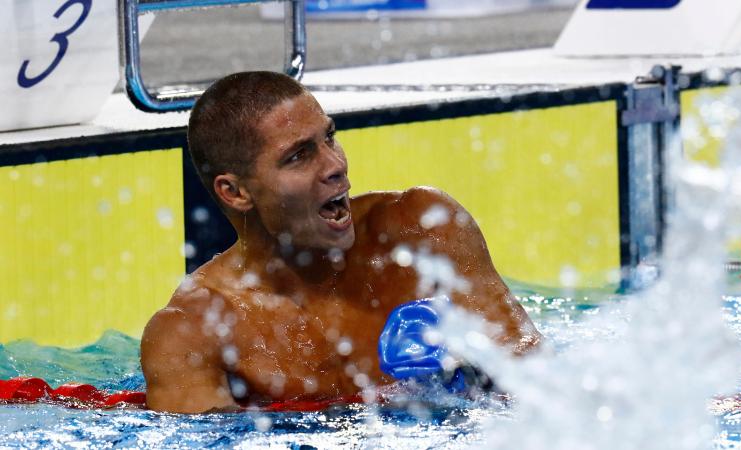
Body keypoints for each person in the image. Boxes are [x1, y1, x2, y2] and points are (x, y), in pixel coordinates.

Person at [140, 71, 541, 413]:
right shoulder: (192, 333)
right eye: (298, 156)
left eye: (329, 138)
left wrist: (477, 376)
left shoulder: (422, 232)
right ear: (235, 192)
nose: (335, 166)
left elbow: (536, 373)